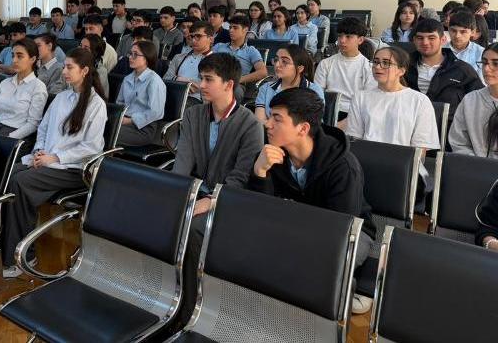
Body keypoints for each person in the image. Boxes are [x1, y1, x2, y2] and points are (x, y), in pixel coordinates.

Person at [249, 87, 376, 314]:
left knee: (314, 266)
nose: (267, 124)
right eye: (269, 116)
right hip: (295, 227)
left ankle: (343, 290)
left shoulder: (343, 167)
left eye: (277, 118)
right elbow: (262, 214)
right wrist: (260, 173)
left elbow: (340, 229)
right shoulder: (272, 155)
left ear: (303, 128)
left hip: (351, 234)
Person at [172, 53, 263, 325]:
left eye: (208, 79)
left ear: (229, 84)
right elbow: (183, 160)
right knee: (165, 214)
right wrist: (176, 195)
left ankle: (189, 309)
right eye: (201, 78)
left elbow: (240, 178)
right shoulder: (194, 114)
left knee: (192, 228)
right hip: (197, 192)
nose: (201, 85)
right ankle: (167, 294)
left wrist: (210, 200)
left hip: (228, 200)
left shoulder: (250, 125)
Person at [1, 48, 107, 277]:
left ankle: (23, 257)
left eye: (70, 67)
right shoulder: (61, 98)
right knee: (8, 173)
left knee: (20, 182)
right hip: (47, 160)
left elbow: (92, 148)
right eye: (64, 66)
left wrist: (55, 157)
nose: (64, 71)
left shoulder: (96, 104)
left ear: (85, 71)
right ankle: (2, 245)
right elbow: (43, 128)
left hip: (73, 169)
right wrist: (39, 151)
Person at [346, 46, 440, 194]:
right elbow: (355, 140)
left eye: (386, 63)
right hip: (366, 165)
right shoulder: (361, 97)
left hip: (404, 169)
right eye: (375, 62)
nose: (378, 67)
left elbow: (419, 151)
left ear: (401, 70)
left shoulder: (419, 100)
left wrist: (395, 167)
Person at [405, 18, 482, 123]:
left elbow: (479, 102)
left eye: (431, 38)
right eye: (420, 38)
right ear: (414, 40)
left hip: (449, 128)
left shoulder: (462, 70)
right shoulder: (402, 67)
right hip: (408, 124)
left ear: (443, 40)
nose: (425, 42)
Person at [314, 17, 377, 120]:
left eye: (348, 37)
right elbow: (317, 95)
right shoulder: (325, 63)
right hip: (327, 111)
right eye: (340, 36)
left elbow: (368, 103)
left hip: (355, 115)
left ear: (360, 40)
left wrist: (347, 122)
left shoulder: (368, 67)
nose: (342, 41)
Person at [0, 38, 47, 143]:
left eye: (19, 56)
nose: (14, 60)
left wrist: (8, 138)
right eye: (13, 56)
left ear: (32, 59)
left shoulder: (38, 87)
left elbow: (33, 124)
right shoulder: (4, 83)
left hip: (17, 136)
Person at [449, 44, 498, 157]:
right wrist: (476, 163)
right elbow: (459, 142)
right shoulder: (470, 100)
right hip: (473, 165)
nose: (486, 69)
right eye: (484, 62)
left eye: (496, 64)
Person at [254, 44, 324, 122]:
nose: (277, 65)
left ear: (300, 68)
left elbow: (313, 124)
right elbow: (259, 121)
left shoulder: (314, 91)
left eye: (284, 61)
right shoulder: (266, 88)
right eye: (276, 60)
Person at [116, 40, 166, 146]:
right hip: (124, 121)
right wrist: (119, 117)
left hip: (144, 128)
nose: (130, 57)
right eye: (130, 54)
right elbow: (119, 102)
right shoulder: (127, 79)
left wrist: (129, 120)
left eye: (135, 54)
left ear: (147, 58)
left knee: (107, 131)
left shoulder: (154, 81)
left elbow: (156, 112)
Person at [165, 21, 215, 106]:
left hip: (198, 101)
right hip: (173, 95)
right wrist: (181, 80)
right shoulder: (178, 57)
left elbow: (210, 86)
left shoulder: (216, 60)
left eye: (198, 36)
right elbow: (166, 78)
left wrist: (181, 81)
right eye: (192, 36)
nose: (193, 40)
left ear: (210, 39)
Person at [211, 14, 267, 86]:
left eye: (235, 28)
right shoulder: (219, 46)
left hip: (236, 85)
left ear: (245, 30)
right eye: (230, 27)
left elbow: (263, 72)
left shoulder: (251, 51)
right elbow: (208, 64)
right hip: (216, 81)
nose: (231, 30)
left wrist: (238, 80)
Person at [446, 9, 485, 75]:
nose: (457, 36)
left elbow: (482, 79)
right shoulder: (439, 50)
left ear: (473, 32)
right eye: (453, 31)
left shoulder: (481, 53)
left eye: (463, 32)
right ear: (448, 29)